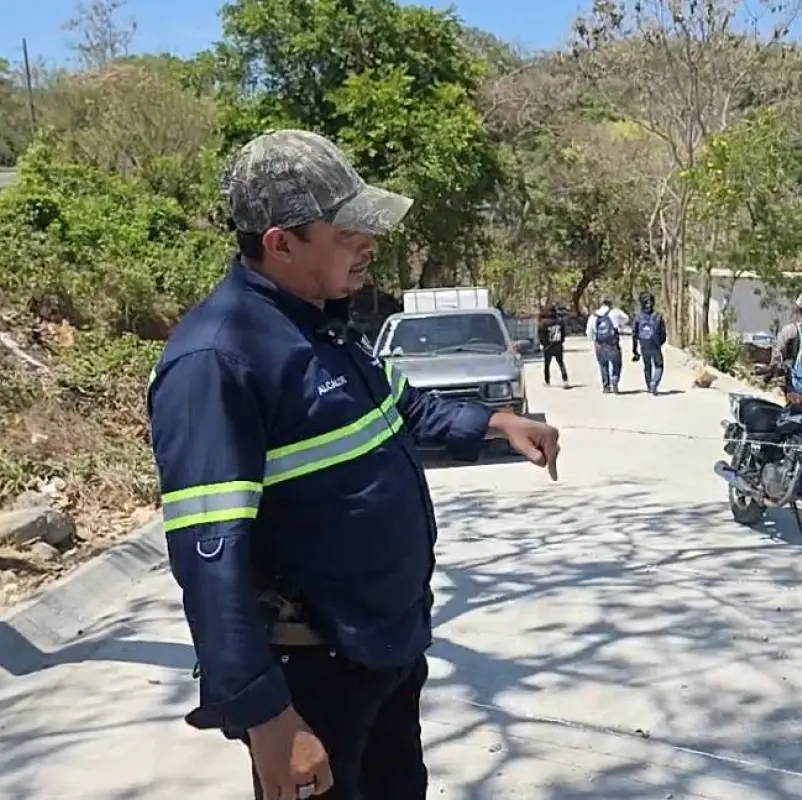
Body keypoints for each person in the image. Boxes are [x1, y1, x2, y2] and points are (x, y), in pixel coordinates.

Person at [147, 129, 561, 800]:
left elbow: (405, 410)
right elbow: (208, 553)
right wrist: (267, 717)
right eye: (346, 232)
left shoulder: (323, 326)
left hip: (382, 650)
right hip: (313, 676)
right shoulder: (218, 361)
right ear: (280, 243)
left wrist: (493, 421)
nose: (370, 243)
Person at [586, 296, 625, 393]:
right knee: (617, 363)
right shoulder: (615, 312)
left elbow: (589, 331)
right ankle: (615, 379)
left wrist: (593, 339)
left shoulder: (594, 315)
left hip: (600, 344)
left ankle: (606, 387)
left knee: (603, 365)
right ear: (610, 303)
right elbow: (626, 319)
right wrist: (620, 325)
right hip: (612, 343)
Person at [630, 292, 668, 394]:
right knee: (659, 365)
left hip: (644, 345)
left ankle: (649, 385)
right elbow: (663, 334)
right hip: (655, 345)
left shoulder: (638, 317)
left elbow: (634, 334)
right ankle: (654, 383)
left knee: (647, 366)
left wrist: (635, 350)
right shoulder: (658, 316)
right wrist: (659, 343)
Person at [537, 304, 569, 387]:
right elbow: (563, 333)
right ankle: (565, 380)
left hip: (548, 346)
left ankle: (547, 381)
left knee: (547, 365)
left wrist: (542, 344)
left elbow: (541, 335)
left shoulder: (543, 323)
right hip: (558, 345)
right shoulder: (559, 321)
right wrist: (561, 341)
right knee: (561, 363)